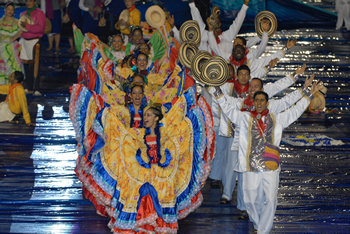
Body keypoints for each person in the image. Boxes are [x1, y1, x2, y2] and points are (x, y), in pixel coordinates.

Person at [213, 79, 323, 234]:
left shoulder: (277, 118)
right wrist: (217, 91)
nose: (259, 103)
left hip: (270, 166)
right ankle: (258, 225)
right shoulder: (244, 118)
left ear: (266, 103)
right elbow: (227, 109)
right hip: (251, 166)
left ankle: (263, 231)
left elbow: (295, 111)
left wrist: (309, 96)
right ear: (253, 102)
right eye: (256, 100)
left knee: (270, 199)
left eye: (262, 100)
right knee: (250, 200)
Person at [19, 0, 46, 96]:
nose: (28, 2)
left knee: (35, 65)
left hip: (35, 41)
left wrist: (28, 26)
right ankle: (28, 87)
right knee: (25, 65)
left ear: (34, 2)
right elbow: (20, 28)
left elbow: (41, 28)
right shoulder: (23, 13)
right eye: (27, 1)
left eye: (30, 1)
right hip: (24, 41)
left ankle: (36, 88)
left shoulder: (40, 13)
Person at [0, 2, 22, 85]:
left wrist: (12, 39)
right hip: (1, 46)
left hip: (11, 47)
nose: (10, 11)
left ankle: (12, 86)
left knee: (12, 66)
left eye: (12, 9)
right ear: (5, 10)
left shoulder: (16, 22)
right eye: (8, 9)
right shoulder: (0, 21)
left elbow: (21, 30)